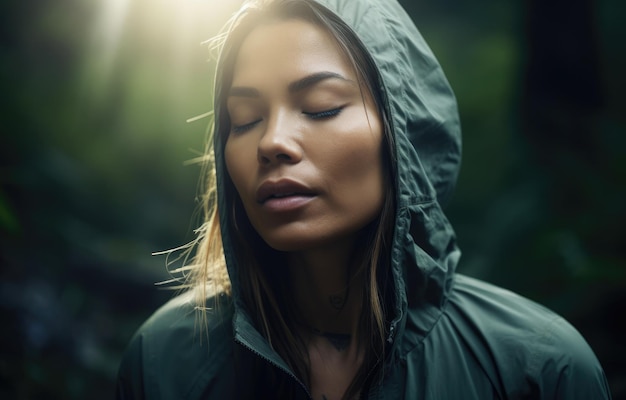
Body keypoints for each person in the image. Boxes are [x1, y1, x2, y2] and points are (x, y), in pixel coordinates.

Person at [116, 0, 612, 399]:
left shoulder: (539, 369)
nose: (271, 142)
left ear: (405, 135)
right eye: (244, 119)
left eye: (321, 107)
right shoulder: (164, 362)